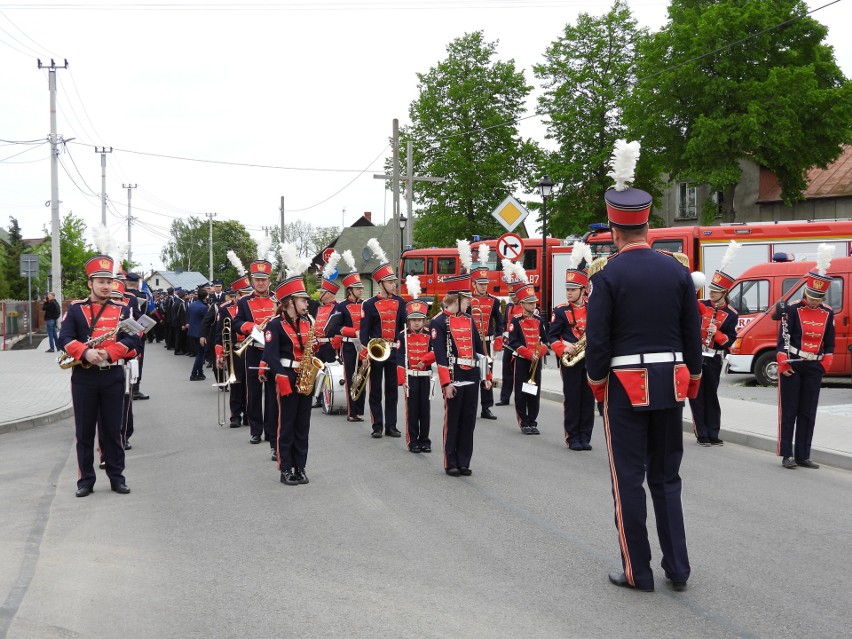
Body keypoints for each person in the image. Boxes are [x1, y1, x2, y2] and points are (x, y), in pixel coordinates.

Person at [585, 140, 702, 593]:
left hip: (624, 386)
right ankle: (679, 568)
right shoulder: (677, 271)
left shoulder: (607, 275)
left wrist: (597, 384)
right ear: (648, 224)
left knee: (627, 480)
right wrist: (691, 379)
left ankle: (638, 571)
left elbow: (598, 342)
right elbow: (691, 334)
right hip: (671, 384)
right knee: (667, 477)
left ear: (614, 230)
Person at [57, 255, 141, 497]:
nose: (106, 286)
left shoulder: (123, 310)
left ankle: (117, 477)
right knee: (84, 432)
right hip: (84, 376)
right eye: (101, 281)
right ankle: (85, 480)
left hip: (113, 375)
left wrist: (108, 352)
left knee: (113, 431)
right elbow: (64, 338)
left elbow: (134, 341)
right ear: (90, 284)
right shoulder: (75, 310)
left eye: (109, 282)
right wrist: (85, 352)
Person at [776, 253, 835, 470]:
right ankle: (786, 454)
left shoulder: (828, 313)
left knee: (808, 412)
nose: (815, 302)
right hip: (793, 363)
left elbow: (829, 343)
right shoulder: (792, 309)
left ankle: (803, 455)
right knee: (789, 411)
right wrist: (783, 362)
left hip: (814, 366)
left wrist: (823, 365)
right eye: (812, 297)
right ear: (805, 293)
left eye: (819, 298)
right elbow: (782, 339)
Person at [431, 274, 491, 476]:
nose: (469, 304)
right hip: (454, 375)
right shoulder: (438, 322)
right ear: (456, 300)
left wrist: (486, 375)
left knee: (468, 420)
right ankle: (451, 461)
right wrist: (446, 383)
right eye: (466, 301)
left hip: (472, 374)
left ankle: (464, 460)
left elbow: (477, 349)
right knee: (453, 420)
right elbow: (440, 356)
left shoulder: (469, 320)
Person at [263, 275, 318, 486]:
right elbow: (269, 355)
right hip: (286, 376)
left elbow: (308, 348)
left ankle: (300, 466)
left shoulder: (308, 321)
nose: (307, 303)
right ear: (289, 302)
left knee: (303, 425)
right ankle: (285, 468)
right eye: (303, 299)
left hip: (304, 376)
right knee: (286, 425)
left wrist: (315, 349)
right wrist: (281, 377)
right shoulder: (275, 325)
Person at [359, 241, 407, 438]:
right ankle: (377, 425)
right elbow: (364, 332)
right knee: (376, 390)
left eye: (394, 281)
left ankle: (391, 425)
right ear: (381, 284)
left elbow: (404, 328)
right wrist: (365, 353)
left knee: (392, 391)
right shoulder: (369, 305)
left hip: (394, 350)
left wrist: (403, 349)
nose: (393, 285)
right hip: (377, 351)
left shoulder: (401, 302)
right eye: (390, 282)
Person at [233, 259, 278, 451]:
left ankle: (270, 430)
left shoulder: (278, 299)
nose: (260, 283)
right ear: (252, 280)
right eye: (257, 279)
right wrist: (251, 327)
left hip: (273, 351)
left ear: (269, 280)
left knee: (271, 393)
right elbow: (236, 323)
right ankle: (255, 430)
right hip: (253, 351)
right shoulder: (243, 301)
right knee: (253, 392)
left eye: (264, 279)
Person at [690, 270, 738, 446]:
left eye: (715, 291)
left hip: (714, 358)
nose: (711, 293)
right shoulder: (700, 304)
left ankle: (713, 432)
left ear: (724, 293)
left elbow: (730, 340)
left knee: (711, 395)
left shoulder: (732, 314)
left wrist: (716, 334)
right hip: (696, 354)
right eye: (711, 289)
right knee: (696, 396)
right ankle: (701, 433)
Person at [549, 267, 595, 450]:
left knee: (588, 398)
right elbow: (551, 337)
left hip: (590, 357)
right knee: (573, 397)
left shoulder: (594, 307)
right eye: (567, 289)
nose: (569, 293)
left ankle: (585, 436)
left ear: (583, 290)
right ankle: (572, 436)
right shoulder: (560, 310)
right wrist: (564, 348)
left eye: (573, 289)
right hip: (570, 358)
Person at [396, 286, 435, 453]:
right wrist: (402, 380)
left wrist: (424, 360)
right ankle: (412, 441)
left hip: (425, 376)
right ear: (409, 321)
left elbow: (436, 352)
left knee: (424, 410)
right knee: (412, 411)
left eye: (419, 319)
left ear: (424, 319)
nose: (417, 322)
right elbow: (399, 358)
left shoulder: (429, 334)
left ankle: (425, 439)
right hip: (410, 378)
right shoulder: (402, 335)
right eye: (413, 320)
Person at [327, 258, 366, 422]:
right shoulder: (341, 306)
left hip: (362, 345)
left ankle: (359, 410)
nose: (361, 291)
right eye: (358, 288)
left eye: (361, 288)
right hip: (349, 345)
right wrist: (353, 332)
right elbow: (336, 328)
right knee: (351, 377)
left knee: (362, 376)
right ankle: (351, 411)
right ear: (350, 290)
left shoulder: (366, 304)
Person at [507, 282, 549, 435]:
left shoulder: (540, 320)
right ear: (523, 303)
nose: (533, 305)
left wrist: (541, 351)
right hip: (522, 360)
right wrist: (529, 354)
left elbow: (545, 339)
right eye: (530, 302)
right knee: (521, 392)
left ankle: (532, 420)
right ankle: (523, 421)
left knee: (533, 392)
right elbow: (513, 342)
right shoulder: (516, 320)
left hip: (536, 361)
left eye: (534, 302)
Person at [215, 277, 252, 427]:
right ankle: (235, 415)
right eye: (242, 294)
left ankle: (250, 414)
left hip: (251, 348)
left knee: (250, 385)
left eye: (247, 294)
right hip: (233, 349)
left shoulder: (252, 306)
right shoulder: (225, 309)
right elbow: (219, 333)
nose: (245, 297)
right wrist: (219, 353)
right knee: (235, 383)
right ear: (235, 295)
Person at [469, 265, 503, 420]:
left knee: (487, 374)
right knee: (471, 374)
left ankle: (486, 407)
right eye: (480, 284)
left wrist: (498, 337)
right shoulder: (468, 301)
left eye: (485, 284)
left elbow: (499, 322)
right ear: (474, 284)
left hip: (487, 343)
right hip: (470, 343)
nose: (483, 287)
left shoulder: (494, 301)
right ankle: (470, 407)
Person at [496, 281, 525, 407]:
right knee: (506, 371)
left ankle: (524, 398)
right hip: (508, 344)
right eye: (511, 294)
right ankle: (504, 397)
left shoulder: (526, 307)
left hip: (521, 344)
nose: (512, 296)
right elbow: (504, 322)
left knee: (522, 373)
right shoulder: (508, 306)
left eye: (515, 294)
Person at [187, 288, 209, 381]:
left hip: (192, 331)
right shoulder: (204, 307)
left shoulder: (192, 305)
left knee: (200, 353)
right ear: (205, 296)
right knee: (201, 355)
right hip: (200, 333)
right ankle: (194, 373)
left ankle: (200, 373)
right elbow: (206, 320)